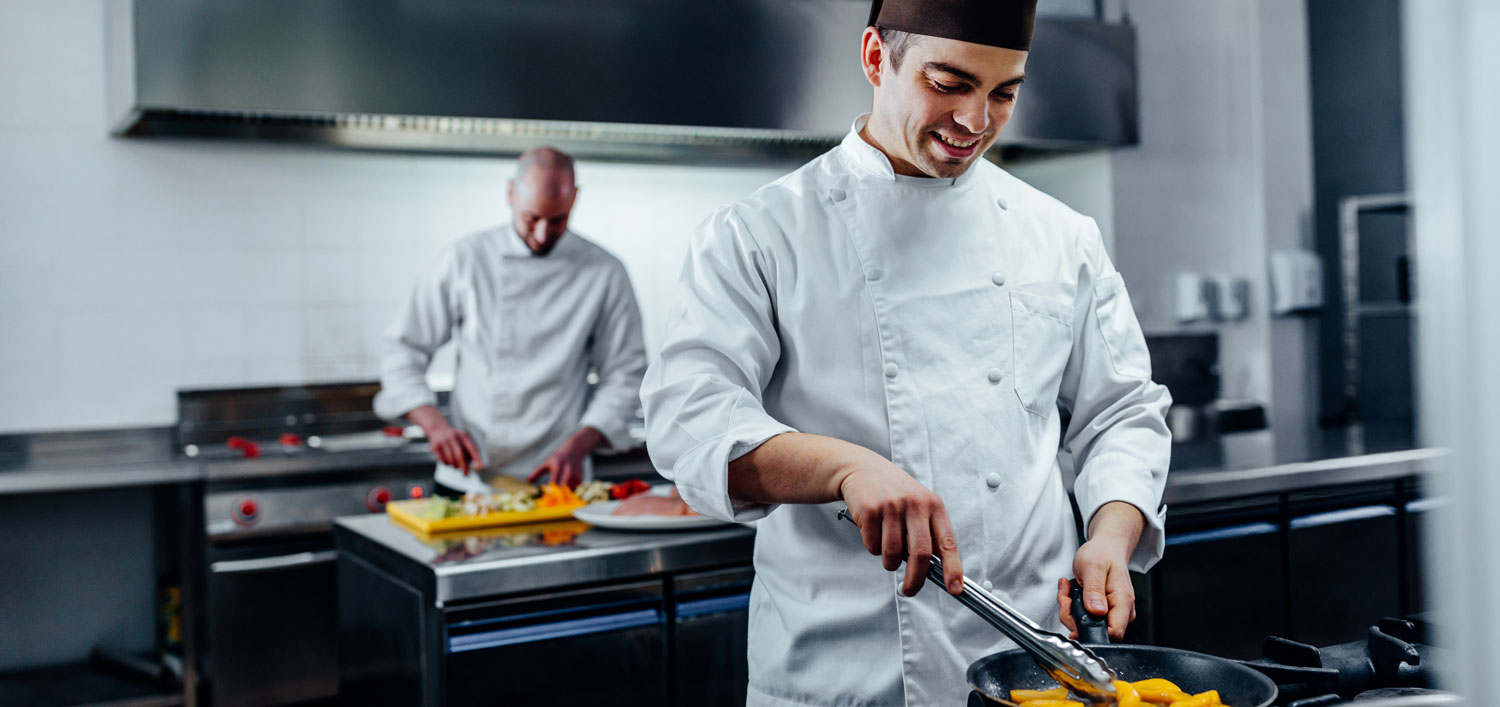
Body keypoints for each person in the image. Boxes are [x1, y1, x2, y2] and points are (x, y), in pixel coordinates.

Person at [640, 1, 1173, 704]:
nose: (976, 121)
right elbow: (690, 420)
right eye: (949, 83)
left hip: (1035, 665)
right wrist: (844, 467)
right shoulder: (760, 234)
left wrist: (1110, 535)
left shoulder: (1060, 235)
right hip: (841, 671)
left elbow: (1122, 413)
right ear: (873, 58)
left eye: (1004, 92)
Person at [376, 147, 647, 496]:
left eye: (558, 220)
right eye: (532, 218)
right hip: (469, 477)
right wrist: (435, 426)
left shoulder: (605, 272)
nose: (543, 234)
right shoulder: (465, 260)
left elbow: (626, 373)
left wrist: (580, 444)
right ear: (510, 194)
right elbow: (402, 351)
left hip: (559, 480)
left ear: (575, 199)